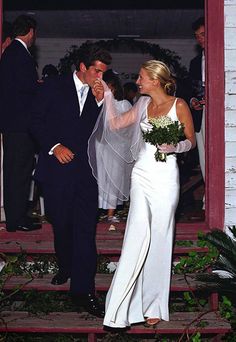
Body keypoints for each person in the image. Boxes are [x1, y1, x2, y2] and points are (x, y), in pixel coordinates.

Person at [89, 60, 196, 328]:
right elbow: (114, 125)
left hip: (166, 176)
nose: (137, 81)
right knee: (136, 235)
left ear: (156, 80)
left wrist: (175, 146)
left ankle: (155, 304)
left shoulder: (179, 105)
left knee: (161, 236)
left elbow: (191, 141)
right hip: (142, 174)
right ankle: (122, 307)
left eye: (141, 77)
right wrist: (109, 96)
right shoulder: (142, 105)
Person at [30, 43, 112, 318]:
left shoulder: (99, 93)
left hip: (86, 174)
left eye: (104, 72)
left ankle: (84, 290)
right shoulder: (53, 86)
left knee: (85, 231)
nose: (100, 77)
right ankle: (65, 265)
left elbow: (98, 133)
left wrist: (101, 102)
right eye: (97, 71)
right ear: (82, 68)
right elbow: (35, 121)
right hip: (56, 171)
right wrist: (54, 146)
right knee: (62, 225)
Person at [0, 15, 41, 232]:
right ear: (31, 31)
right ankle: (16, 219)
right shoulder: (19, 55)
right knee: (19, 172)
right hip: (20, 125)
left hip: (13, 124)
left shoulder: (10, 54)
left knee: (15, 172)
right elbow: (27, 91)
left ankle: (15, 217)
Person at [101, 69, 132, 227]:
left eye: (110, 87)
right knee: (100, 177)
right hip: (100, 146)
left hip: (117, 147)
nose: (108, 90)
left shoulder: (123, 104)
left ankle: (110, 213)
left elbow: (127, 128)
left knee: (114, 178)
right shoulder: (97, 104)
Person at [189, 17, 205, 210]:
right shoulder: (194, 62)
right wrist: (193, 101)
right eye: (197, 36)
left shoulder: (224, 56)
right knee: (203, 158)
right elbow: (191, 89)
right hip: (200, 116)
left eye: (203, 35)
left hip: (219, 113)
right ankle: (207, 198)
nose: (200, 39)